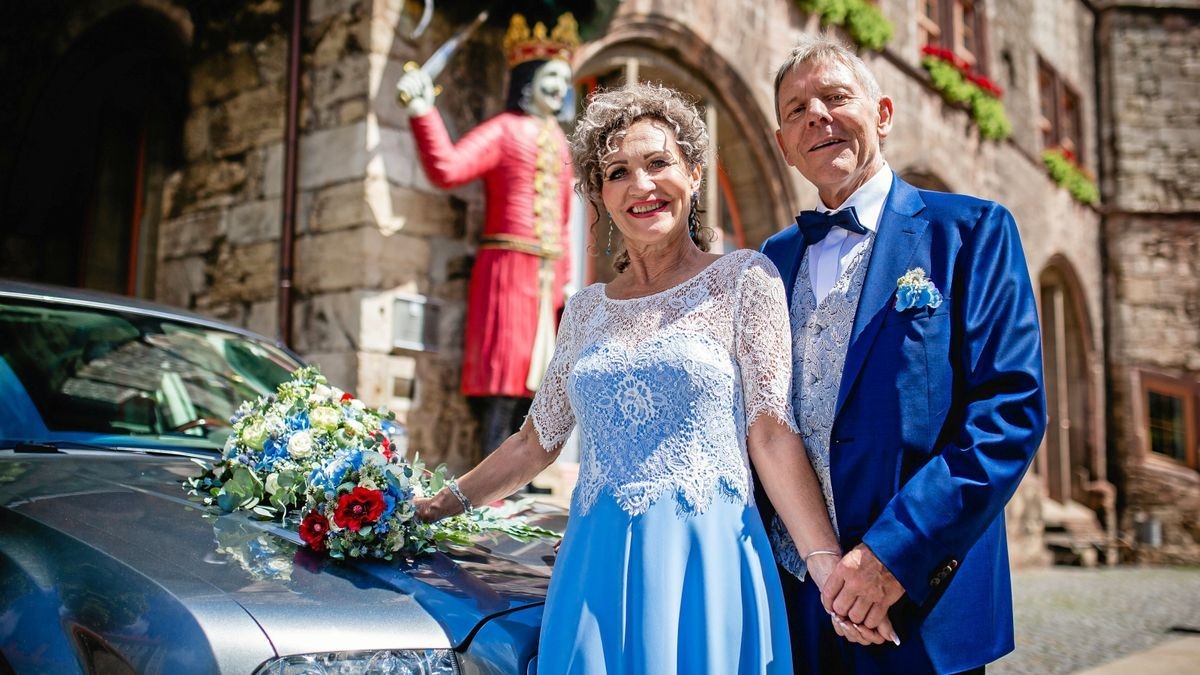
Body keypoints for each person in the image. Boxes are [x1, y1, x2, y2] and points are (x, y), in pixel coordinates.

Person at [417, 82, 876, 674]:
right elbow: (535, 443)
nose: (641, 186)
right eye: (617, 172)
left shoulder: (745, 280)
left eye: (658, 163)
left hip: (708, 559)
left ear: (694, 175)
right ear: (598, 195)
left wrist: (826, 564)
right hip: (593, 562)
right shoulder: (583, 311)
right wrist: (433, 508)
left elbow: (771, 433)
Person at [759, 33, 1047, 674]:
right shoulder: (767, 264)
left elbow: (1008, 414)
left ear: (883, 114)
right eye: (797, 109)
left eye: (836, 97)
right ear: (783, 144)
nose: (817, 117)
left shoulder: (971, 231)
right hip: (792, 605)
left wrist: (892, 557)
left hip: (918, 605)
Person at [395, 14, 577, 470]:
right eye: (551, 78)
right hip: (506, 267)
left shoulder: (560, 141)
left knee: (540, 382)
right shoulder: (503, 130)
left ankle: (523, 475)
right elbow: (448, 168)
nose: (559, 89)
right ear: (528, 80)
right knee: (502, 376)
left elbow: (565, 218)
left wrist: (569, 280)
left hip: (548, 277)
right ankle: (489, 472)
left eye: (564, 81)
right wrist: (422, 110)